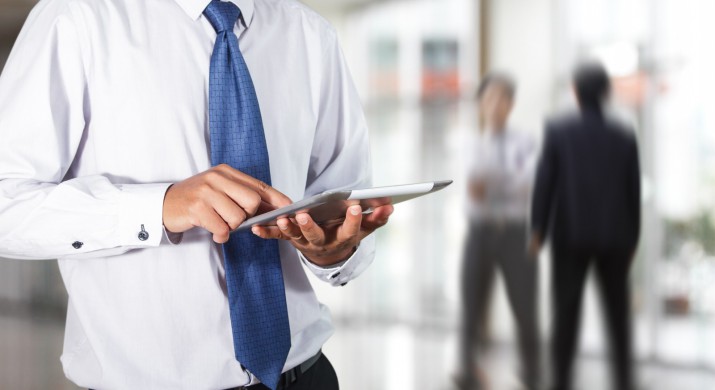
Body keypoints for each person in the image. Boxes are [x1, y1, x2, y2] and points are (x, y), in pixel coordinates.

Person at [0, 0, 394, 389]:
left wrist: (332, 251)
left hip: (307, 375)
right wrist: (158, 206)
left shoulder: (310, 33)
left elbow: (342, 199)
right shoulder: (76, 16)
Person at [529, 61, 641, 390]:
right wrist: (633, 237)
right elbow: (632, 190)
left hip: (570, 238)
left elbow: (545, 181)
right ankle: (624, 381)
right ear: (606, 93)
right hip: (615, 239)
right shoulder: (623, 135)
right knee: (618, 319)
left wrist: (538, 229)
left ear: (576, 92)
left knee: (566, 317)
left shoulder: (559, 131)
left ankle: (560, 382)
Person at [456, 73, 540, 390]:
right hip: (479, 233)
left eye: (502, 98)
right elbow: (472, 192)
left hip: (516, 235)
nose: (495, 105)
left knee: (525, 307)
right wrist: (506, 182)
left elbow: (526, 187)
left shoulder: (524, 142)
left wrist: (492, 183)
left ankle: (533, 374)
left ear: (512, 104)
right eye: (489, 98)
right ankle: (467, 372)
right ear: (480, 104)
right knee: (471, 307)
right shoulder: (470, 144)